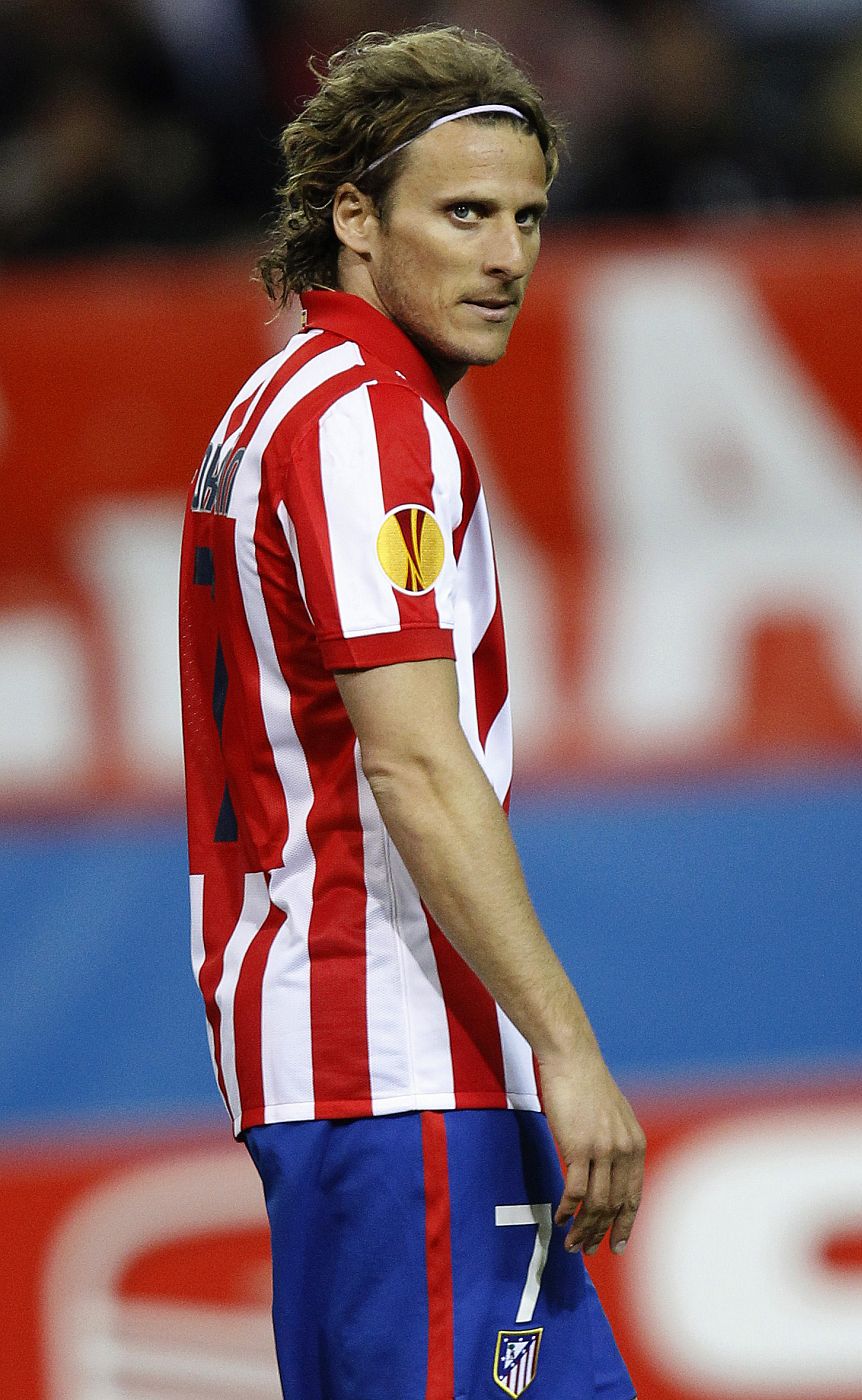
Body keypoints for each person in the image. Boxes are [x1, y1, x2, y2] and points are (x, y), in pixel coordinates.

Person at [179, 25, 644, 1400]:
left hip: (359, 1063)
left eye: (526, 217)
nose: (505, 256)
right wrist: (567, 1049)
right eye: (462, 213)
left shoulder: (283, 398)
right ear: (353, 218)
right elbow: (416, 763)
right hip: (393, 1061)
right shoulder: (365, 423)